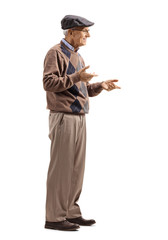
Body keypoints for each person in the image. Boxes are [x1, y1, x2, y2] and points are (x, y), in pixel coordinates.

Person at [43, 15, 120, 231]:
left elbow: (79, 89)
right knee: (61, 169)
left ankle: (71, 212)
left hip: (79, 117)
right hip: (63, 117)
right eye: (84, 31)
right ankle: (54, 217)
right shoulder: (55, 53)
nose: (88, 35)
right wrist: (78, 77)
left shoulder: (78, 57)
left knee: (76, 168)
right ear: (70, 32)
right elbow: (48, 83)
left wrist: (99, 86)